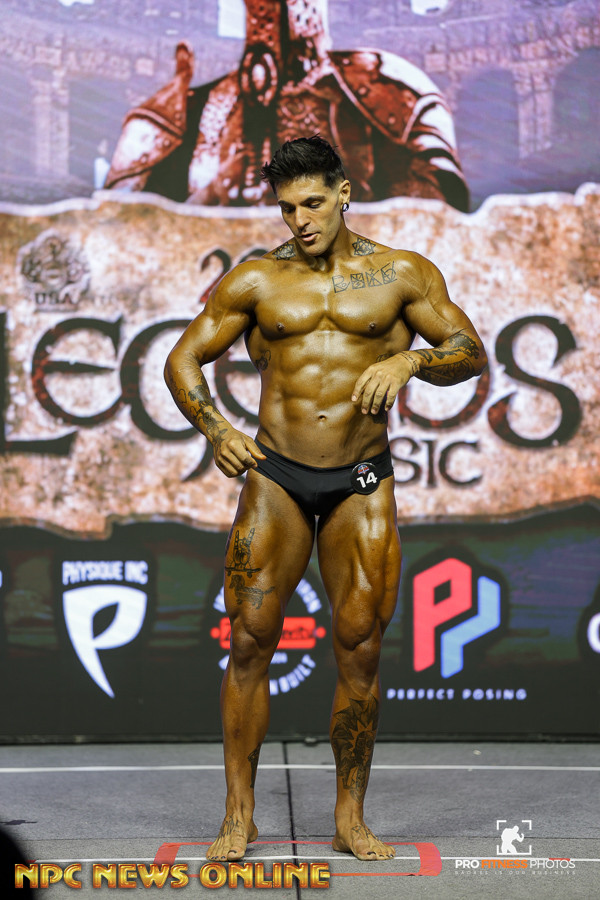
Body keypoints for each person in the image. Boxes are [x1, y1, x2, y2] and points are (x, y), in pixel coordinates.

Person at [164, 135, 487, 861]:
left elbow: (469, 352)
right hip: (276, 475)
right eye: (287, 208)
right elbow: (183, 357)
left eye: (312, 202)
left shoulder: (401, 274)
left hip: (361, 480)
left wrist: (409, 360)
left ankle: (350, 816)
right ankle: (239, 815)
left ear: (344, 193)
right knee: (250, 639)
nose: (300, 219)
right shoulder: (257, 280)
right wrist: (216, 428)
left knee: (361, 648)